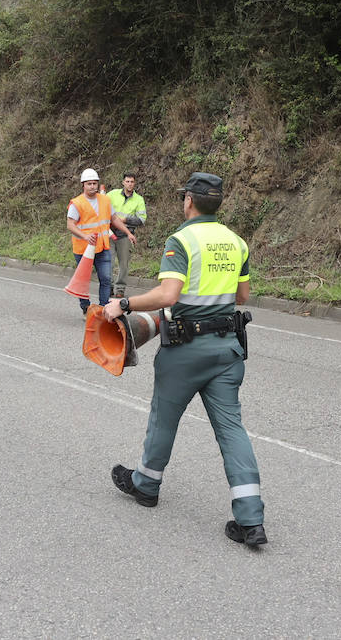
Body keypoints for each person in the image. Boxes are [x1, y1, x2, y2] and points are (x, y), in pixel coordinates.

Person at [103, 171, 266, 547]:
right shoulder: (236, 242)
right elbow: (242, 297)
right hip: (227, 350)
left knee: (164, 416)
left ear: (189, 200)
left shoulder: (181, 239)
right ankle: (250, 519)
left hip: (186, 349)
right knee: (232, 430)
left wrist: (123, 304)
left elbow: (168, 295)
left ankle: (146, 485)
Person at [67, 168, 135, 316]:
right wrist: (85, 236)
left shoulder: (105, 200)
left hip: (103, 247)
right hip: (83, 249)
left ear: (98, 184)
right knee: (83, 280)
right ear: (83, 185)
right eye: (89, 183)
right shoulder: (77, 203)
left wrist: (128, 232)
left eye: (94, 183)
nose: (92, 186)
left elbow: (114, 219)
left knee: (106, 279)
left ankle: (104, 309)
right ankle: (86, 308)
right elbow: (70, 224)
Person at [106, 172, 147, 298]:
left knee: (124, 264)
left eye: (132, 182)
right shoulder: (112, 194)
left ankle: (120, 289)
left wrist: (124, 220)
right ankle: (109, 287)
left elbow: (141, 219)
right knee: (109, 262)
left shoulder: (139, 199)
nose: (129, 184)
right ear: (123, 182)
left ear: (134, 183)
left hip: (125, 235)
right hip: (110, 233)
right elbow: (102, 206)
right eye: (127, 181)